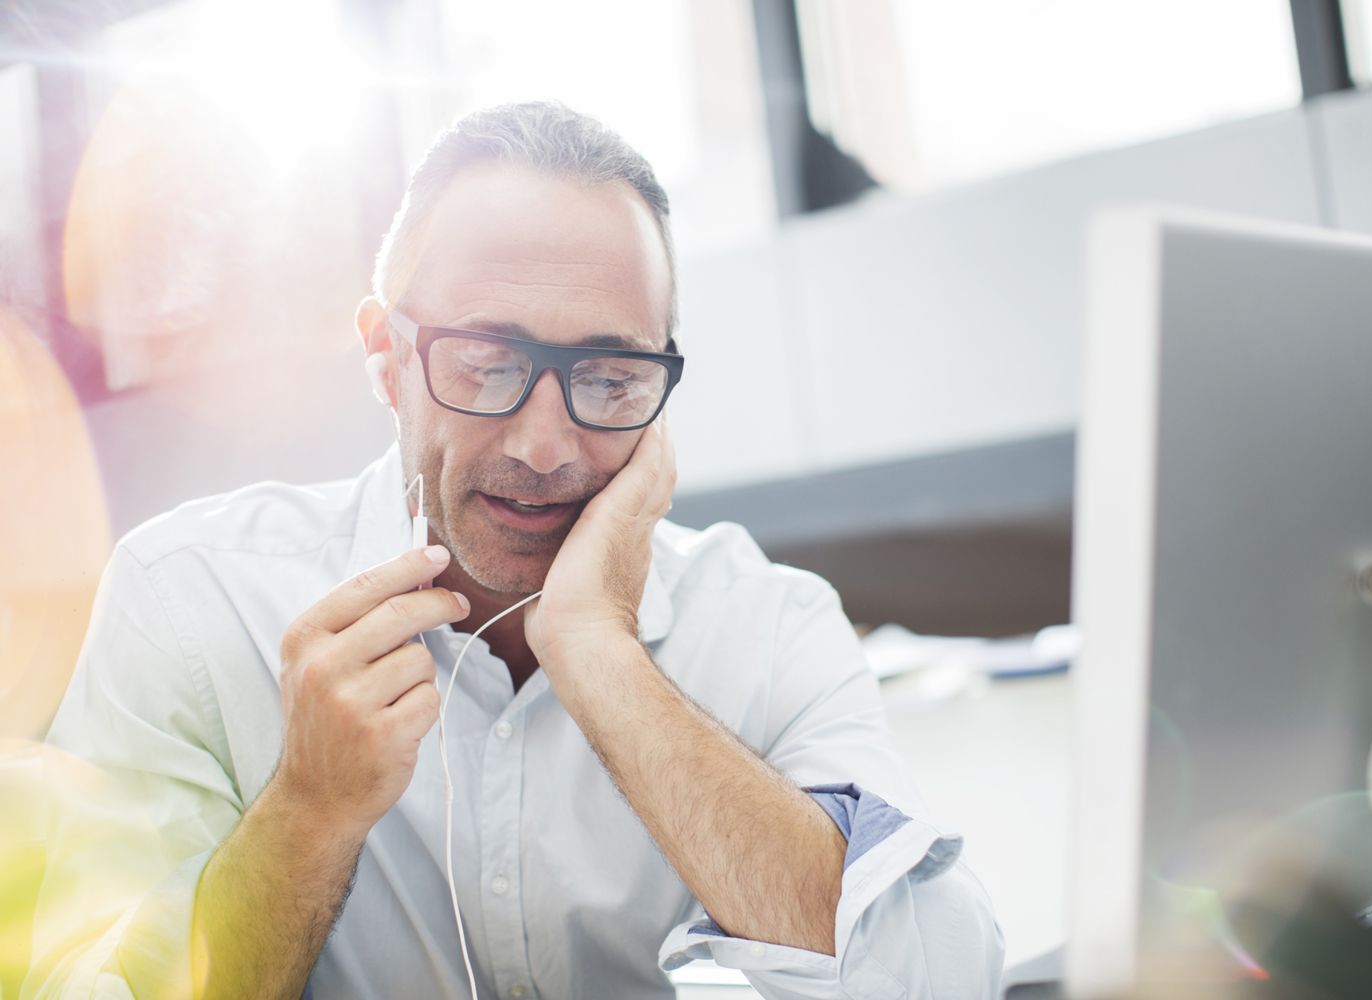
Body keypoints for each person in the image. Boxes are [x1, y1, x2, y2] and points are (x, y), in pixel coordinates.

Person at [27, 102, 1003, 999]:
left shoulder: (767, 622)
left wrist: (605, 660)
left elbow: (940, 976)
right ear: (386, 357)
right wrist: (306, 813)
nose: (545, 446)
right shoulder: (192, 602)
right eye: (488, 363)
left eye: (612, 375)